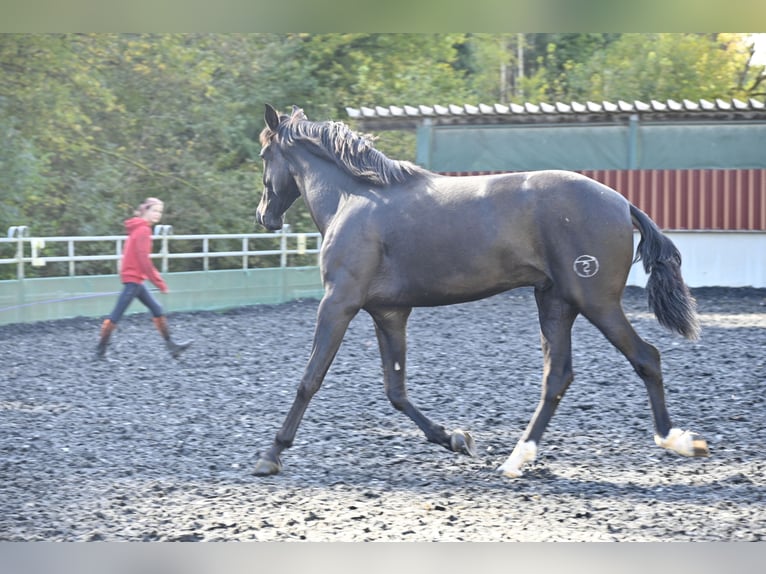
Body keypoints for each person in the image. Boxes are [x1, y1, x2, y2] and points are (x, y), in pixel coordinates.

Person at [96, 197, 192, 359]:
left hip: (135, 278)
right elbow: (144, 260)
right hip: (134, 279)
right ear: (145, 210)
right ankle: (100, 350)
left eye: (160, 212)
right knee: (116, 315)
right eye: (154, 211)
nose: (157, 214)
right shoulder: (143, 230)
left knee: (157, 310)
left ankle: (172, 347)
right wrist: (159, 282)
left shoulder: (138, 228)